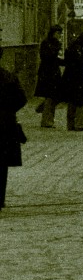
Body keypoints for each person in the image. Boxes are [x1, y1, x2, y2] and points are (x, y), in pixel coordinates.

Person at [0, 45, 28, 211]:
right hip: (5, 124)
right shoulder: (8, 77)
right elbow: (22, 99)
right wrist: (8, 111)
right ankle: (0, 199)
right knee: (2, 165)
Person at [63, 33, 83, 131]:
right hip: (78, 77)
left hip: (69, 77)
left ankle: (70, 124)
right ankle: (80, 124)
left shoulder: (71, 47)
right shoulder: (81, 49)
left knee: (72, 101)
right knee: (81, 101)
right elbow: (81, 63)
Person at [35, 25, 65, 129]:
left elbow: (56, 58)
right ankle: (46, 121)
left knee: (55, 96)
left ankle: (45, 112)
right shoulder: (46, 43)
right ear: (53, 33)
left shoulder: (56, 44)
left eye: (60, 33)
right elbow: (47, 57)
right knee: (50, 96)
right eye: (58, 33)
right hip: (47, 73)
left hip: (54, 72)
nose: (59, 35)